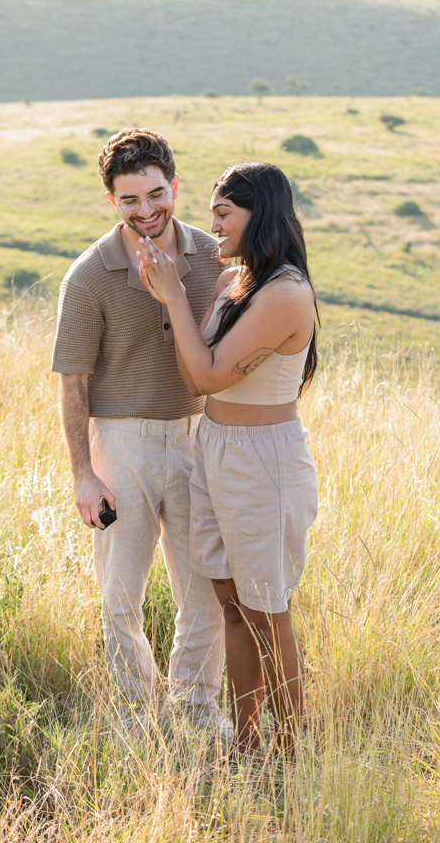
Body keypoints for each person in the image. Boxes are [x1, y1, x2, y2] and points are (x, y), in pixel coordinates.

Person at [137, 161, 318, 759]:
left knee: (268, 610)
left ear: (257, 214)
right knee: (231, 604)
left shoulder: (286, 292)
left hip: (263, 463)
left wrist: (171, 298)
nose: (212, 225)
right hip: (213, 448)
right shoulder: (233, 282)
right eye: (212, 212)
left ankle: (289, 754)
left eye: (224, 214)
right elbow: (198, 377)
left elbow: (210, 374)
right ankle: (246, 745)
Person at [50, 127, 227, 734]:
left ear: (174, 185)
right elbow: (72, 382)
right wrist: (83, 472)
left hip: (201, 439)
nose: (146, 211)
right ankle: (134, 713)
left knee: (203, 588)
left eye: (156, 194)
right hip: (121, 444)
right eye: (130, 200)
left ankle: (196, 710)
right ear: (112, 202)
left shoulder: (215, 258)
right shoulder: (90, 275)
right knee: (118, 596)